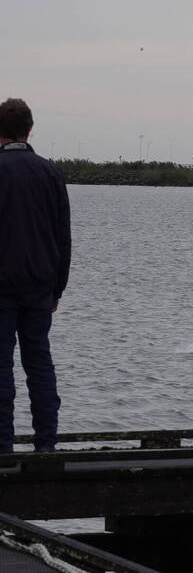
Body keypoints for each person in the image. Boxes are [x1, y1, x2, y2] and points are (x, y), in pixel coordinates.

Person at [0, 98, 70, 454]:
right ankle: (46, 445)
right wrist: (58, 288)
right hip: (41, 286)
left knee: (1, 369)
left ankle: (3, 448)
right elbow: (63, 236)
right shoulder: (50, 173)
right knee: (39, 363)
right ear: (29, 129)